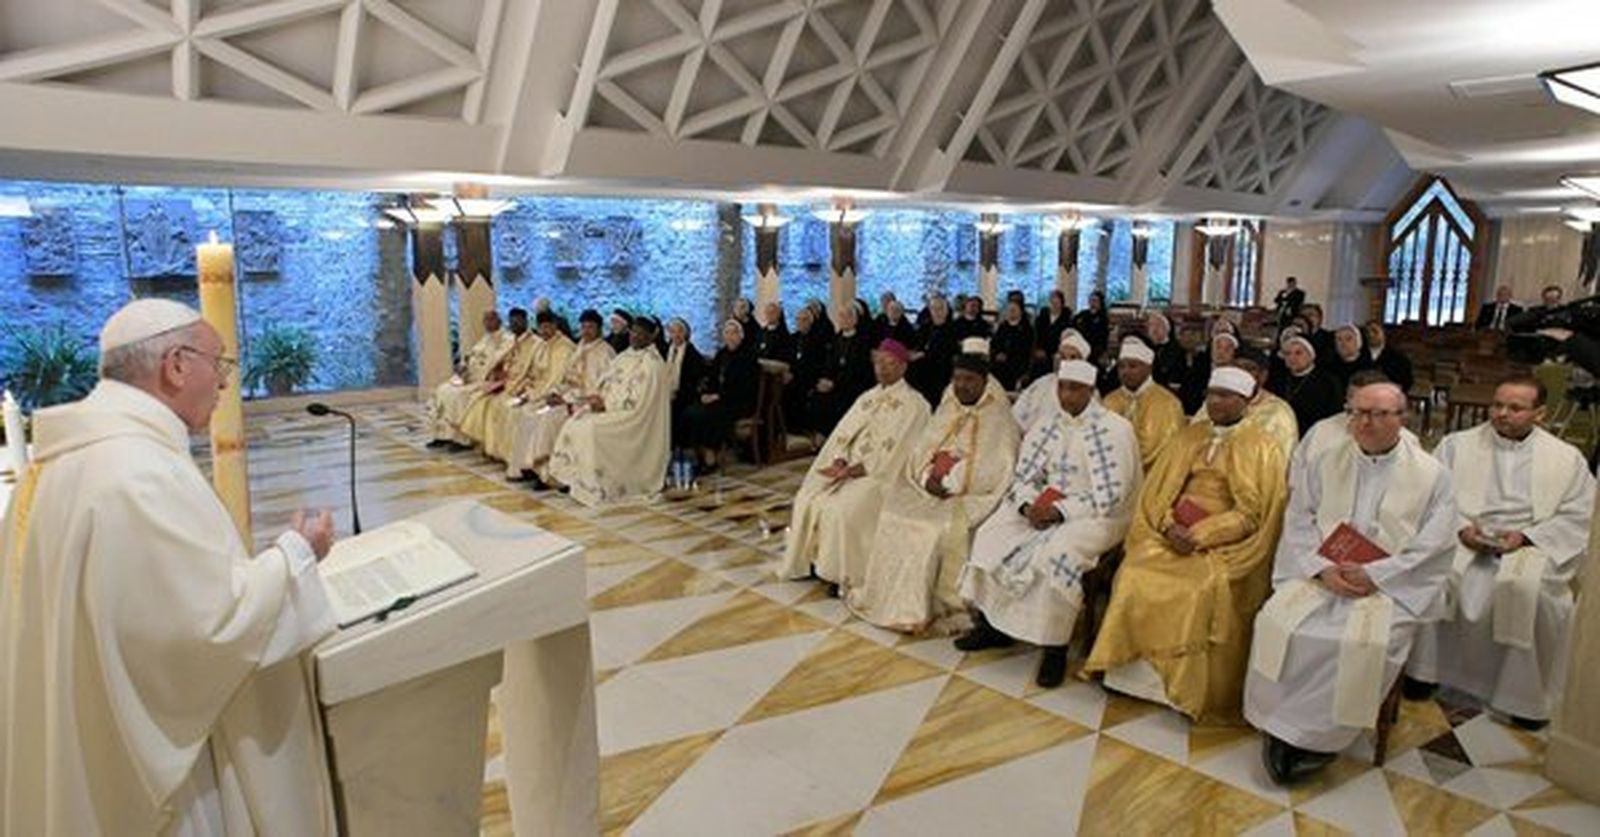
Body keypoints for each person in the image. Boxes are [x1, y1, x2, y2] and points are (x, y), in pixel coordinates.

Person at [2, 299, 339, 835]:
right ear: (177, 366)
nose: (225, 383)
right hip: (165, 775)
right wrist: (296, 554)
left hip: (90, 739)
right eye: (220, 364)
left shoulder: (66, 463)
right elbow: (204, 631)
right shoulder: (137, 473)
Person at [1244, 380, 1456, 784]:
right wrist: (1321, 569)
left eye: (1379, 414)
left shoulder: (1432, 476)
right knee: (1278, 622)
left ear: (1401, 417)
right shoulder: (1327, 460)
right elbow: (1300, 519)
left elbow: (1434, 545)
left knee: (1353, 642)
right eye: (1358, 412)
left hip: (1390, 587)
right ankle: (1281, 727)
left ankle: (1318, 739)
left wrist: (1375, 573)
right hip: (1324, 572)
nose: (1366, 423)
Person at [1086, 367, 1290, 720]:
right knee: (1134, 571)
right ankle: (1125, 674)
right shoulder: (1188, 436)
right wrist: (1169, 527)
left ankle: (1181, 692)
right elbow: (1159, 493)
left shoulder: (1262, 446)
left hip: (1222, 544)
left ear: (1244, 401)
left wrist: (1200, 535)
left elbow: (1253, 515)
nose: (1215, 402)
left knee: (1196, 589)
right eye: (1212, 394)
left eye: (1225, 396)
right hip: (1173, 533)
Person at [1404, 377, 1595, 729]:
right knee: (1437, 577)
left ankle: (1523, 698)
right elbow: (1431, 496)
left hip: (1530, 543)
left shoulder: (1566, 459)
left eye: (1515, 408)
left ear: (1540, 413)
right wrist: (1462, 527)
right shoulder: (1456, 445)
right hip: (1463, 536)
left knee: (1531, 593)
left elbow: (1579, 513)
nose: (1502, 414)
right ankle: (1424, 672)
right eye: (1497, 405)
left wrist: (1525, 536)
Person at [956, 359, 1141, 688]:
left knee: (1056, 554)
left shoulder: (1114, 429)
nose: (1066, 395)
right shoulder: (1047, 424)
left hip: (1098, 515)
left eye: (1075, 389)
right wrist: (1028, 505)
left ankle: (1054, 647)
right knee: (990, 534)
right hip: (1043, 507)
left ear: (1090, 390)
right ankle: (993, 627)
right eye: (1062, 387)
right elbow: (1024, 475)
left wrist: (1060, 512)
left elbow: (1113, 493)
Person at [849, 341, 1022, 634]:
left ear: (984, 382)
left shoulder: (999, 418)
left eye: (969, 380)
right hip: (927, 489)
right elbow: (922, 448)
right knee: (893, 515)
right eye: (957, 379)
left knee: (931, 530)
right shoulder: (947, 408)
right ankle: (886, 598)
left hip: (969, 497)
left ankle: (929, 605)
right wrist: (929, 474)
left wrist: (950, 480)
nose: (961, 386)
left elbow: (996, 468)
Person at [779, 339, 930, 594]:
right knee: (808, 498)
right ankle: (813, 563)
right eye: (878, 363)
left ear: (903, 367)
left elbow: (899, 453)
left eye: (890, 364)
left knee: (843, 510)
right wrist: (839, 459)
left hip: (881, 478)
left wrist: (857, 470)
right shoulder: (867, 398)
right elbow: (843, 435)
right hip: (846, 470)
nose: (882, 369)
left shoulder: (916, 405)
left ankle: (841, 574)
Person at [548, 316, 671, 506]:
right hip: (610, 408)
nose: (634, 337)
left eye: (640, 333)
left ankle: (598, 485)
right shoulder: (624, 356)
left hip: (635, 419)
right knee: (577, 421)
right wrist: (597, 398)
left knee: (591, 429)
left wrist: (606, 405)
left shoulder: (653, 364)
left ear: (650, 336)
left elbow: (639, 403)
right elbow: (606, 383)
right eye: (632, 332)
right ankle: (576, 480)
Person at [504, 309, 616, 484]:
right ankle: (529, 467)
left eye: (591, 327)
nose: (586, 331)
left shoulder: (606, 353)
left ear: (600, 329)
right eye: (584, 327)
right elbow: (565, 379)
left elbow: (604, 389)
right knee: (531, 415)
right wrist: (556, 394)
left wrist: (566, 399)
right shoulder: (579, 349)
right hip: (567, 398)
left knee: (547, 418)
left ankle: (550, 476)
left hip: (586, 404)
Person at [478, 311, 573, 464]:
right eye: (542, 327)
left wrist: (532, 395)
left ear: (555, 326)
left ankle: (530, 463)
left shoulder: (565, 348)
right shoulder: (542, 345)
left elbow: (555, 379)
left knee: (524, 414)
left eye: (548, 327)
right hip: (532, 391)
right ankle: (508, 456)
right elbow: (531, 373)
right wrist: (524, 391)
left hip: (549, 395)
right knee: (505, 406)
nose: (544, 331)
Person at [682, 319, 759, 474]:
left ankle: (711, 457)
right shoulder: (722, 354)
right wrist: (706, 394)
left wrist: (719, 396)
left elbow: (746, 387)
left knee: (709, 414)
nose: (730, 336)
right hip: (719, 399)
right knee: (690, 411)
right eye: (727, 333)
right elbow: (712, 378)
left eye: (734, 333)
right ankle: (699, 454)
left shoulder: (749, 356)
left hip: (739, 401)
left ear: (741, 336)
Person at [427, 309, 513, 447]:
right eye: (485, 320)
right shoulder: (485, 338)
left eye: (491, 319)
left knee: (459, 395)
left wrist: (479, 368)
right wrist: (463, 366)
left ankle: (462, 439)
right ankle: (443, 435)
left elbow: (495, 361)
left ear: (499, 320)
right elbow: (472, 355)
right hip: (470, 377)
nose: (487, 323)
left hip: (486, 380)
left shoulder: (506, 339)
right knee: (443, 390)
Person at [457, 307, 537, 449]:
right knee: (484, 401)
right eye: (512, 323)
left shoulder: (535, 343)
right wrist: (499, 373)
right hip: (506, 382)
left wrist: (513, 384)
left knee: (495, 405)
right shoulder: (514, 341)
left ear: (526, 322)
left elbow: (530, 371)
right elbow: (505, 363)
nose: (515, 325)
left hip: (521, 386)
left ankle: (501, 449)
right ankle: (489, 446)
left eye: (518, 322)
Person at [1103, 336, 1186, 471]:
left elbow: (1153, 450)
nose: (1126, 372)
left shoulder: (1166, 403)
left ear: (1148, 368)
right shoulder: (1110, 400)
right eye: (1121, 367)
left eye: (1133, 366)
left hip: (1150, 476)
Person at [808, 303, 873, 435]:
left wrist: (835, 383)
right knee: (817, 397)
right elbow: (828, 364)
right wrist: (824, 380)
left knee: (837, 400)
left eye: (848, 316)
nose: (844, 319)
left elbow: (860, 368)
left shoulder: (864, 341)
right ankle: (823, 437)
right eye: (841, 316)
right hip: (833, 383)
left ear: (855, 320)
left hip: (853, 385)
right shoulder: (834, 339)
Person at [1013, 329, 1091, 434]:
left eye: (1073, 357)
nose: (1066, 362)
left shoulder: (1087, 392)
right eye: (1062, 356)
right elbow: (1017, 414)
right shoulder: (1040, 383)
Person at [1269, 335, 1342, 437]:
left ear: (1311, 355)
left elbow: (1334, 415)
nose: (1292, 358)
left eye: (1298, 353)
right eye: (1288, 354)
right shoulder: (1278, 379)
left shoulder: (1328, 382)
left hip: (1314, 435)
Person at [664, 317, 707, 458]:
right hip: (664, 392)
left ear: (686, 334)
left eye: (679, 332)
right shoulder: (664, 351)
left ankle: (676, 449)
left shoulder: (692, 355)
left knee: (675, 410)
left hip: (685, 395)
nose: (676, 335)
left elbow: (695, 382)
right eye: (673, 332)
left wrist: (677, 393)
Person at [784, 305, 828, 435]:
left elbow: (820, 363)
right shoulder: (791, 339)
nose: (801, 322)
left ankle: (803, 429)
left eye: (804, 320)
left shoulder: (818, 339)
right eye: (798, 319)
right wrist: (786, 372)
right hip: (792, 376)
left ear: (811, 321)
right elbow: (785, 359)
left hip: (810, 377)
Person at [911, 294, 957, 407]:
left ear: (947, 310)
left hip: (942, 372)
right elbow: (918, 345)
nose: (937, 312)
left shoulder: (954, 329)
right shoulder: (925, 327)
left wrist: (923, 354)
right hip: (923, 371)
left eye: (940, 308)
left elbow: (947, 352)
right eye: (934, 308)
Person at [989, 298, 1034, 391]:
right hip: (1000, 362)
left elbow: (1026, 349)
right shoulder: (1002, 327)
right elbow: (994, 344)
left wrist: (1008, 355)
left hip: (1018, 362)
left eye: (1014, 310)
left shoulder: (1027, 329)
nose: (1011, 312)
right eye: (1009, 310)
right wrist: (998, 353)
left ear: (1020, 312)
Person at [1364, 321, 1414, 392]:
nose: (1371, 335)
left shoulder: (1399, 358)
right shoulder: (1360, 354)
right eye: (1367, 332)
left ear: (1383, 333)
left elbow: (1406, 382)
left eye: (1375, 331)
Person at [1033, 289, 1071, 378]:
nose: (1054, 305)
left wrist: (1059, 351)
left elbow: (1066, 336)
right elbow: (1037, 333)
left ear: (1061, 303)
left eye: (1056, 302)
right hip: (1042, 348)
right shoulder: (1043, 315)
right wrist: (1038, 348)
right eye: (1052, 302)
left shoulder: (1066, 318)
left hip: (1057, 350)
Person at [1325, 324, 1372, 392]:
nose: (1343, 343)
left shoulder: (1369, 369)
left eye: (1348, 339)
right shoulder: (1328, 369)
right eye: (1339, 339)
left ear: (1358, 342)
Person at [1146, 311, 1185, 392]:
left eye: (1157, 325)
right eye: (1151, 325)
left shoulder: (1177, 350)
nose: (1154, 329)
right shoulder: (1145, 348)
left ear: (1166, 328)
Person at [1073, 290, 1110, 361]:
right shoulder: (1083, 314)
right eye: (1090, 301)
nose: (1092, 303)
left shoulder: (1103, 317)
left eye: (1095, 301)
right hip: (1081, 345)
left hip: (1096, 348)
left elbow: (1102, 336)